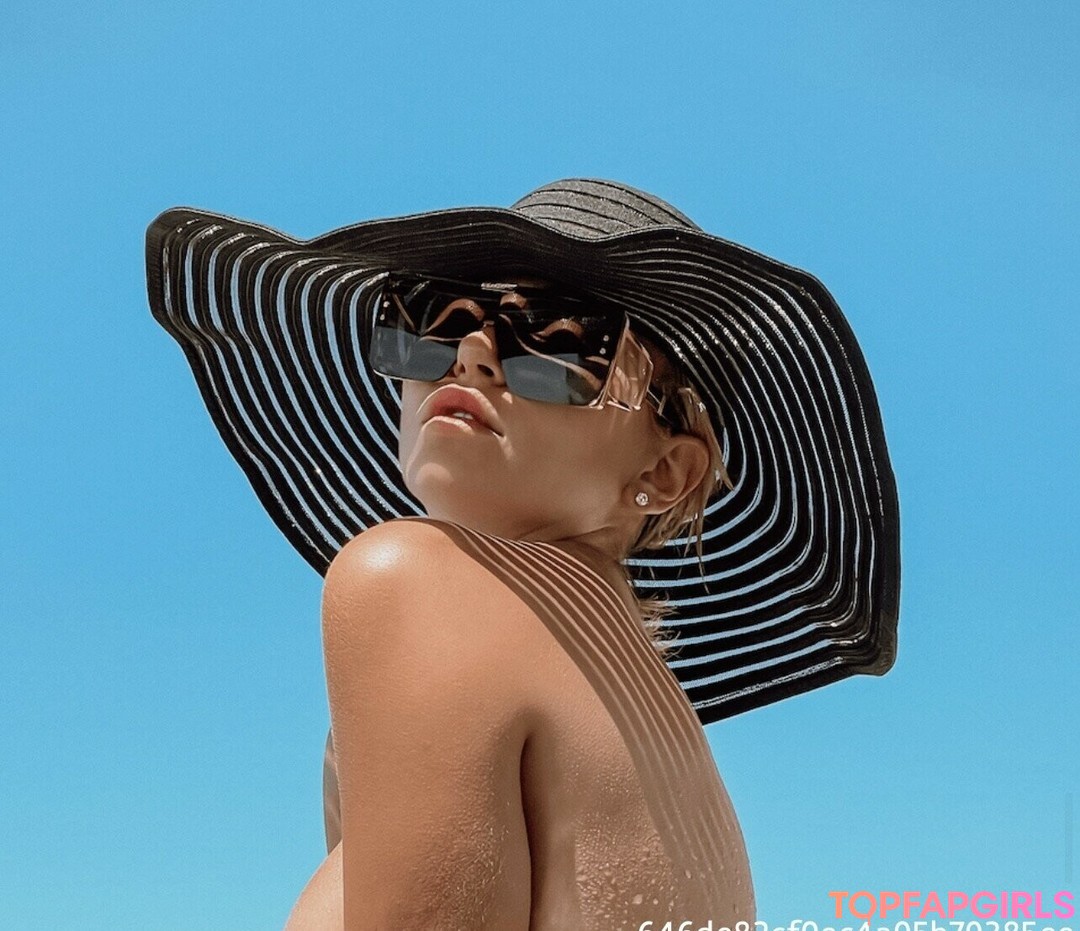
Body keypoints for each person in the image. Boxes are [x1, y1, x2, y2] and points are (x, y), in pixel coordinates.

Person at [145, 179, 900, 929]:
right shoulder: (676, 766)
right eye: (427, 317)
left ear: (666, 470)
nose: (471, 355)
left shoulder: (418, 585)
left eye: (557, 340)